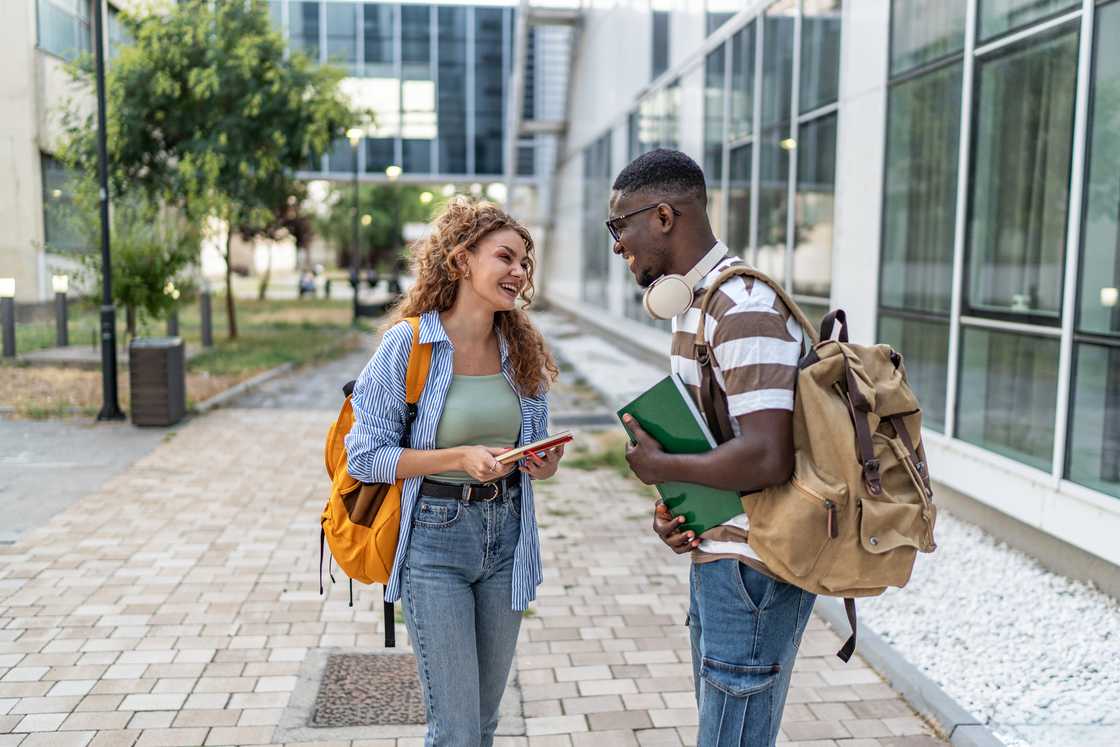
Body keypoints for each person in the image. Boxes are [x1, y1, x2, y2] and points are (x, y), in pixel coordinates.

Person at [609, 149, 814, 746]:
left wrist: (659, 465)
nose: (618, 245)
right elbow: (716, 442)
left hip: (756, 567)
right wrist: (675, 506)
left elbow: (767, 456)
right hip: (720, 554)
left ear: (664, 216)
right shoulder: (693, 307)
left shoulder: (743, 309)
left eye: (621, 226)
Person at [345, 197, 564, 747]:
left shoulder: (523, 350)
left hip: (507, 537)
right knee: (458, 732)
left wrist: (542, 463)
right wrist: (458, 457)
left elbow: (535, 452)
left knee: (484, 727)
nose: (519, 273)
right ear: (462, 260)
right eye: (505, 258)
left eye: (525, 264)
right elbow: (366, 457)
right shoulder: (409, 344)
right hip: (434, 542)